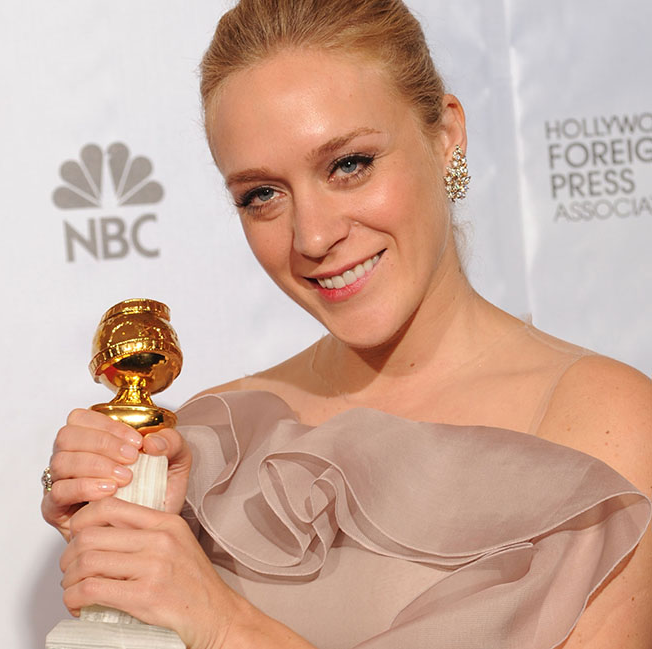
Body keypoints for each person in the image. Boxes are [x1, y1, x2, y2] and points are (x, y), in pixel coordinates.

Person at [41, 1, 652, 647]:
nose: (312, 235)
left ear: (445, 137)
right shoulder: (218, 436)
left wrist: (227, 625)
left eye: (348, 164)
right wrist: (125, 543)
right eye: (261, 194)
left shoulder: (601, 421)